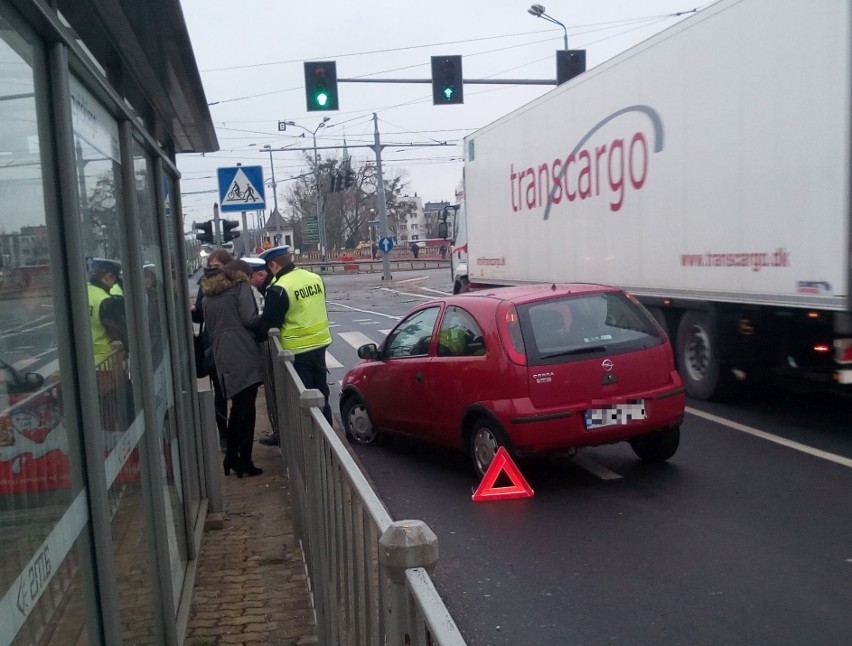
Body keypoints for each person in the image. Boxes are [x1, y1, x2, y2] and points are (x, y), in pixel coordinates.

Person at [255, 246, 333, 446]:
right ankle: (329, 440)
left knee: (302, 400)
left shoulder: (280, 287)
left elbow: (267, 325)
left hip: (296, 351)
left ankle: (310, 444)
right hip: (320, 344)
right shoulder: (313, 278)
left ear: (273, 264)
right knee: (321, 393)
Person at [201, 258, 264, 477]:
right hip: (243, 352)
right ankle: (241, 460)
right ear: (243, 275)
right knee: (245, 409)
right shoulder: (241, 288)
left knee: (238, 407)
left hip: (222, 355)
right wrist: (264, 318)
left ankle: (235, 458)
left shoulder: (209, 296)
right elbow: (249, 318)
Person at [192, 249, 234, 452]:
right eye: (210, 266)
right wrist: (195, 311)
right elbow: (200, 315)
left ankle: (235, 433)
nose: (212, 270)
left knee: (239, 393)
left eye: (216, 266)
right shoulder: (204, 284)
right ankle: (224, 437)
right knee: (219, 392)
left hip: (234, 343)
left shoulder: (236, 282)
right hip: (212, 343)